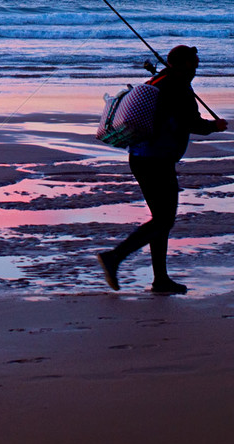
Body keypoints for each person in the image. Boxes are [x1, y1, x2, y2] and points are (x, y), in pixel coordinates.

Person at [97, 44, 227, 294]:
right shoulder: (177, 87)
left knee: (161, 219)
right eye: (195, 62)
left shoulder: (160, 80)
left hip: (141, 157)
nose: (198, 66)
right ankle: (114, 258)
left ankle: (160, 280)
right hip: (156, 160)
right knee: (164, 219)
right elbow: (192, 123)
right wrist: (215, 126)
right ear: (186, 64)